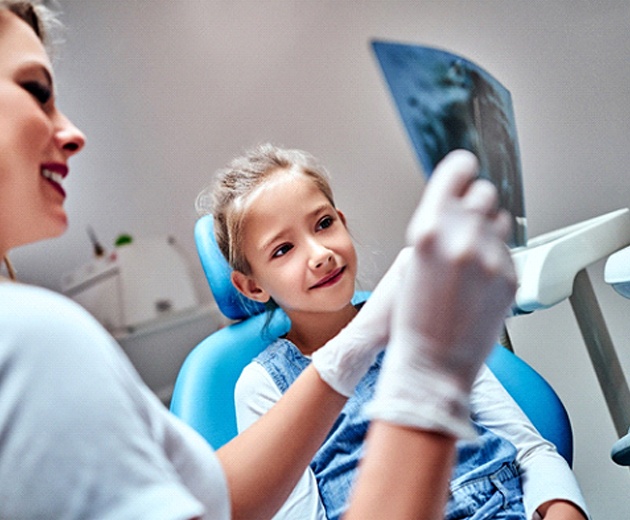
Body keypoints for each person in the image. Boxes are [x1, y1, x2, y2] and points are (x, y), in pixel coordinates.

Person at [0, 2, 521, 518]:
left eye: (323, 224)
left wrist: (360, 345)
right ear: (250, 284)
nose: (72, 133)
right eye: (36, 91)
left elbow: (219, 503)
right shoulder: (33, 339)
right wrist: (429, 373)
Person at [201, 143, 589, 520]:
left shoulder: (420, 321)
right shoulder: (265, 384)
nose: (320, 254)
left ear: (342, 220)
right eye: (283, 250)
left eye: (323, 224)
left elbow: (531, 451)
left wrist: (562, 509)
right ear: (253, 286)